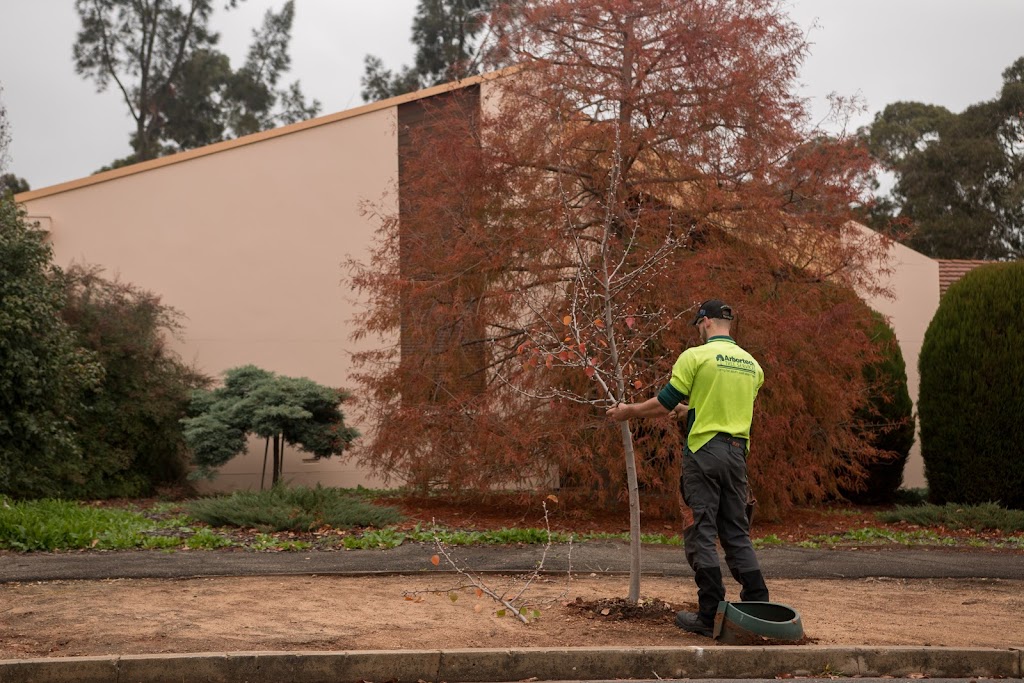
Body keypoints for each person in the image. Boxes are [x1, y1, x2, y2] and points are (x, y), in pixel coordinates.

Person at [605, 298, 769, 637]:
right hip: (737, 453)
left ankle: (709, 616)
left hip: (703, 453)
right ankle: (760, 608)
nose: (698, 331)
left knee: (701, 533)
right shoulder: (752, 366)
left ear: (706, 322)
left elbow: (663, 402)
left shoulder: (695, 357)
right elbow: (724, 405)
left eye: (698, 325)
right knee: (737, 533)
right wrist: (690, 410)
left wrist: (629, 411)